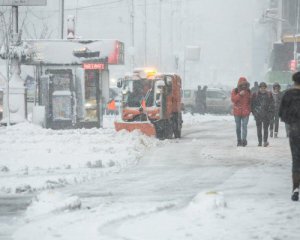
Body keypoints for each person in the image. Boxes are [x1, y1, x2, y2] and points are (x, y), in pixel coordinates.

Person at [279, 72, 300, 201]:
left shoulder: (288, 95)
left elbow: (281, 114)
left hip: (295, 131)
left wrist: (292, 122)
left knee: (296, 159)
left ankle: (295, 188)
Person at [251, 82, 275, 147]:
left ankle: (265, 141)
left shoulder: (269, 94)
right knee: (259, 129)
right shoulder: (255, 94)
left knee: (265, 129)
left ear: (265, 88)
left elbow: (272, 104)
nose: (263, 89)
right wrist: (254, 113)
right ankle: (260, 142)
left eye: (264, 87)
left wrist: (270, 113)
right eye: (261, 87)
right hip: (258, 114)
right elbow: (252, 104)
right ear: (259, 88)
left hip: (266, 115)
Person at [231, 77, 251, 147]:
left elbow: (250, 101)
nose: (243, 86)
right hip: (237, 112)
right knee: (238, 127)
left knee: (244, 126)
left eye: (245, 85)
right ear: (239, 85)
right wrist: (239, 95)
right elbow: (233, 100)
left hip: (246, 112)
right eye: (242, 85)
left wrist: (249, 109)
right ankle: (239, 140)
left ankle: (244, 140)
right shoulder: (235, 91)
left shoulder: (248, 91)